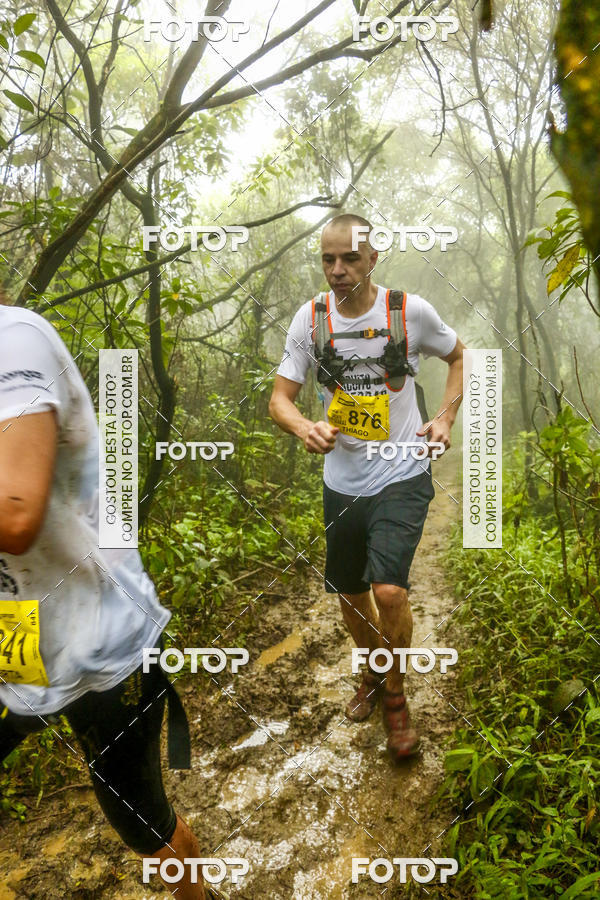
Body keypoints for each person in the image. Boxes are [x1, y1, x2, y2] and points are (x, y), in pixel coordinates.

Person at [0, 294, 228, 900]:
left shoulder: (13, 341)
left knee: (141, 825)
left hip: (99, 639)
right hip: (14, 632)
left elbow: (15, 513)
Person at [269, 213, 466, 761]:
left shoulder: (409, 313)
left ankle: (396, 698)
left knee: (389, 591)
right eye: (328, 259)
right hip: (342, 482)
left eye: (349, 259)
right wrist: (305, 426)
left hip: (402, 471)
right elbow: (280, 399)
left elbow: (458, 356)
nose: (337, 270)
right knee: (353, 599)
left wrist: (445, 419)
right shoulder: (309, 321)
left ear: (373, 258)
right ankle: (375, 673)